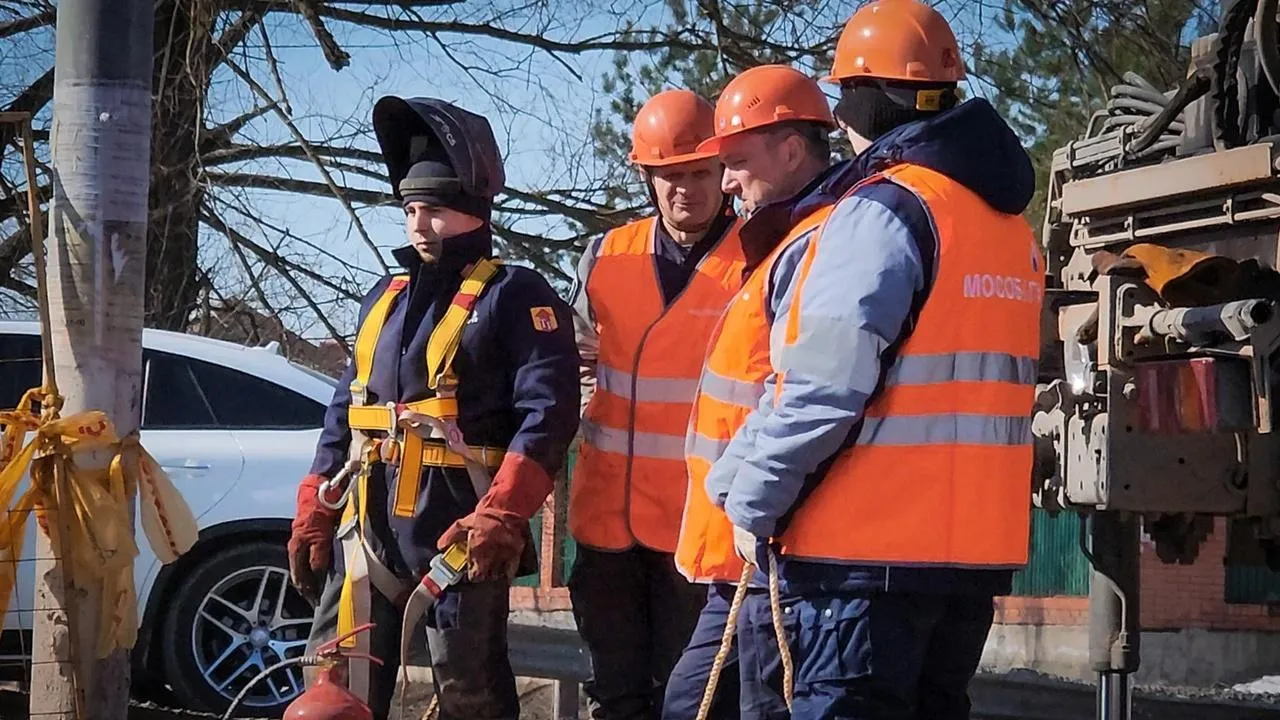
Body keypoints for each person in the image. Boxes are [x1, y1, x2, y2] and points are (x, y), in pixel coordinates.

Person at [712, 1, 1044, 717]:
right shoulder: (1006, 226)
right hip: (967, 563)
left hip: (860, 569)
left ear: (856, 101)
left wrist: (750, 498)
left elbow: (823, 386)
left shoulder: (886, 209)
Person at [288, 95, 581, 720]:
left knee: (467, 690)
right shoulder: (383, 300)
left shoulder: (515, 296)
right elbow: (346, 411)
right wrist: (313, 501)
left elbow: (548, 414)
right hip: (364, 533)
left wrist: (502, 514)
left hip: (460, 534)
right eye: (411, 210)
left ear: (474, 211)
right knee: (331, 690)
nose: (420, 225)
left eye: (437, 211)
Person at [666, 63, 854, 720]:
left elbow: (815, 395)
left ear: (792, 150)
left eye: (737, 160)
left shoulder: (826, 244)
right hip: (745, 544)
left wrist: (756, 504)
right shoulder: (784, 241)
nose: (724, 181)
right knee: (693, 702)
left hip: (777, 545)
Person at [565, 88, 746, 720]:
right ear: (646, 177)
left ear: (724, 171)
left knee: (692, 703)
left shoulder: (759, 258)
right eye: (668, 177)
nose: (684, 190)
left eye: (699, 173)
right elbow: (575, 361)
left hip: (700, 533)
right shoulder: (607, 256)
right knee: (614, 700)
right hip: (607, 524)